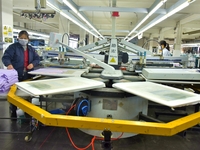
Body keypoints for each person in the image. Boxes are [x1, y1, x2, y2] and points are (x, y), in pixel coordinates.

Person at [2, 30, 40, 119]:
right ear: (18, 38)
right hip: (15, 75)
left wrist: (33, 64)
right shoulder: (13, 48)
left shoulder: (31, 49)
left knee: (27, 94)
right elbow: (5, 57)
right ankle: (13, 111)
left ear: (28, 39)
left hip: (27, 75)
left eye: (25, 38)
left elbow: (37, 58)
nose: (23, 40)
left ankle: (27, 111)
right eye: (21, 38)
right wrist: (9, 64)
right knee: (14, 95)